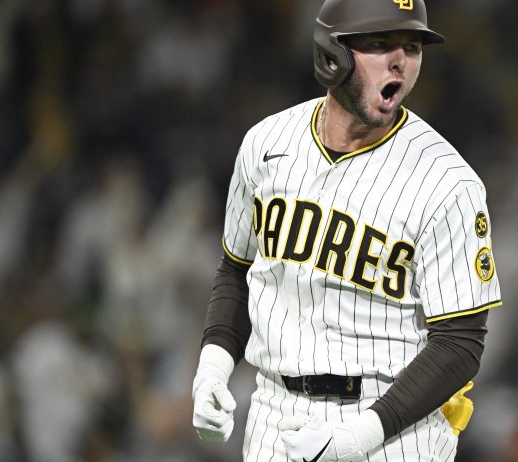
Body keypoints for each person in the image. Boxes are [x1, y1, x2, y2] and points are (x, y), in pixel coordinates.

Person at [191, 0, 501, 460]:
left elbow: (460, 342)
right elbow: (237, 269)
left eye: (412, 47)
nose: (400, 61)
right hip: (274, 413)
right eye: (381, 43)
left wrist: (361, 435)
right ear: (331, 55)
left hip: (392, 427)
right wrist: (213, 368)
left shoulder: (448, 182)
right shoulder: (266, 143)